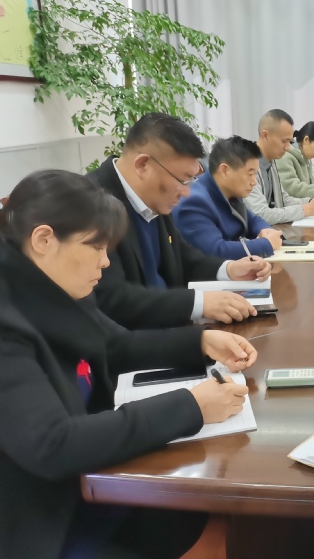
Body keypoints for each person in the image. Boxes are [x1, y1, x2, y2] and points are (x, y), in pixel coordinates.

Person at [0, 170, 258, 559]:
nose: (105, 262)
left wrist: (201, 342)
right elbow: (53, 444)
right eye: (95, 247)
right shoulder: (8, 322)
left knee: (211, 512)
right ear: (44, 240)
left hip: (92, 481)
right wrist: (191, 406)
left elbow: (115, 345)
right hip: (45, 524)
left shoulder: (51, 284)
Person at [89, 113, 272, 330]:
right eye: (182, 180)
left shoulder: (154, 195)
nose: (186, 192)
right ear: (143, 165)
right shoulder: (90, 204)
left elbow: (183, 257)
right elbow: (112, 298)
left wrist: (229, 269)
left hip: (173, 329)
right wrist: (198, 303)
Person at [173, 136, 283, 260]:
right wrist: (266, 244)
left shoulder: (229, 191)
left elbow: (253, 220)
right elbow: (216, 251)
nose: (254, 182)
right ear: (225, 170)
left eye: (255, 175)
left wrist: (266, 230)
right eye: (250, 174)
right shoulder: (194, 202)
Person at [245, 109, 314, 223]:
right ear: (265, 135)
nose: (288, 147)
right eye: (284, 141)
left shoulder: (272, 161)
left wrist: (310, 202)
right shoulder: (247, 165)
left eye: (289, 141)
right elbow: (260, 214)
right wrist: (305, 210)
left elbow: (283, 199)